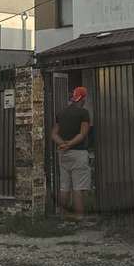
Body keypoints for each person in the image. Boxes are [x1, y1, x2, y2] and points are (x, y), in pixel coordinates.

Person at [52, 85, 91, 220]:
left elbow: (54, 134)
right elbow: (83, 134)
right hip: (78, 153)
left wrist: (63, 144)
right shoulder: (84, 113)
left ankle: (63, 216)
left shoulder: (61, 113)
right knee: (78, 187)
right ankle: (79, 217)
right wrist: (70, 144)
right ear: (83, 98)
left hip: (63, 154)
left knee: (64, 187)